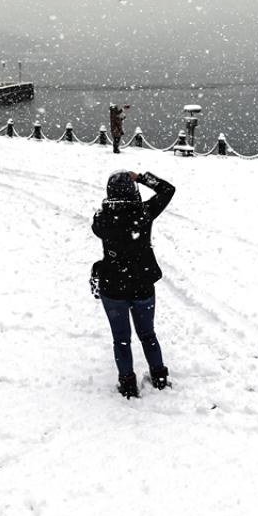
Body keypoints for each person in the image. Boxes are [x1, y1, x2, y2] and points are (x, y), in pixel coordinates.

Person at [92, 169, 176, 398]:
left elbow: (99, 223)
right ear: (134, 192)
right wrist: (140, 177)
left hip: (113, 287)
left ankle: (127, 383)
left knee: (121, 339)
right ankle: (159, 376)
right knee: (148, 334)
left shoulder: (102, 219)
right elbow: (168, 190)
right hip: (142, 284)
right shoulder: (144, 213)